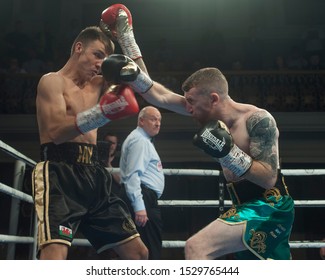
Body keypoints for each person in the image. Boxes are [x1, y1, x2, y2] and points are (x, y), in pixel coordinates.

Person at [99, 4, 295, 260]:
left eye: (191, 101)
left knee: (196, 248)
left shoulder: (257, 120)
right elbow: (157, 95)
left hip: (270, 205)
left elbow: (268, 179)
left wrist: (228, 153)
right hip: (243, 205)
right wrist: (127, 40)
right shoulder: (205, 113)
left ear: (213, 99)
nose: (187, 107)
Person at [31, 25, 148, 260]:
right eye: (97, 55)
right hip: (59, 173)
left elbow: (142, 84)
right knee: (54, 256)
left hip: (94, 174)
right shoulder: (52, 82)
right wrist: (100, 113)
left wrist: (127, 38)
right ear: (78, 48)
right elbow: (55, 132)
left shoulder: (97, 84)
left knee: (138, 254)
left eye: (105, 59)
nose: (100, 64)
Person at [119, 106, 165, 260]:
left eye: (159, 120)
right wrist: (140, 207)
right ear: (141, 121)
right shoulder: (140, 141)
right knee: (150, 250)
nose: (157, 123)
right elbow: (133, 176)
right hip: (143, 199)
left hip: (144, 198)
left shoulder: (142, 139)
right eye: (153, 119)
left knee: (146, 250)